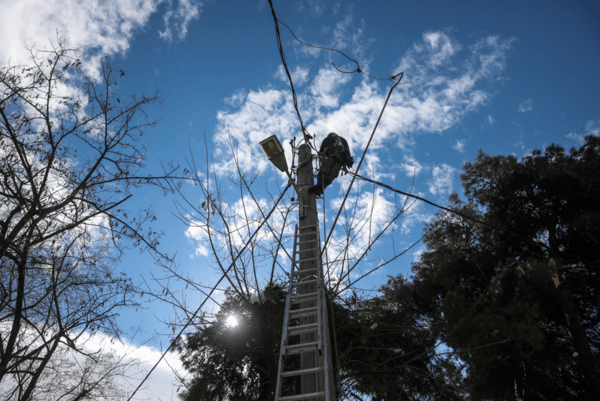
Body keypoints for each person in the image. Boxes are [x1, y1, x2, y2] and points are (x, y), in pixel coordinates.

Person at [309, 132, 354, 196]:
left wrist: (321, 156)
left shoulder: (329, 138)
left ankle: (319, 184)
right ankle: (320, 188)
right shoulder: (343, 140)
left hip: (329, 155)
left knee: (324, 169)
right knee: (331, 175)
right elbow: (347, 152)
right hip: (340, 161)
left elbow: (322, 149)